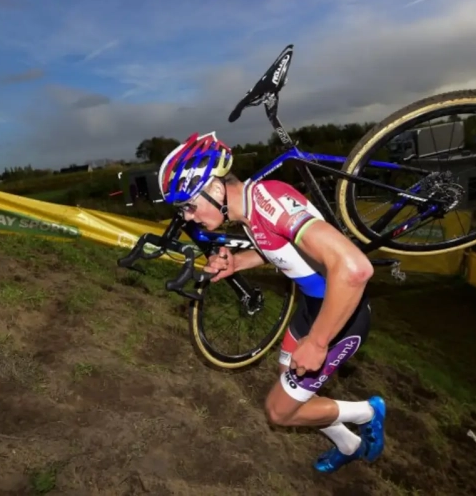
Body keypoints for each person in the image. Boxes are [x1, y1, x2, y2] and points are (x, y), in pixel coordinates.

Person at [158, 131, 386, 473]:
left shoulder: (268, 201)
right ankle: (349, 443)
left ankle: (369, 412)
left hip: (340, 316)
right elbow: (278, 249)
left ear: (216, 189)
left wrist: (319, 342)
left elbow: (354, 269)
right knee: (287, 377)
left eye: (188, 205)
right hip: (311, 306)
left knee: (279, 411)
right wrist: (238, 262)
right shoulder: (250, 209)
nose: (188, 216)